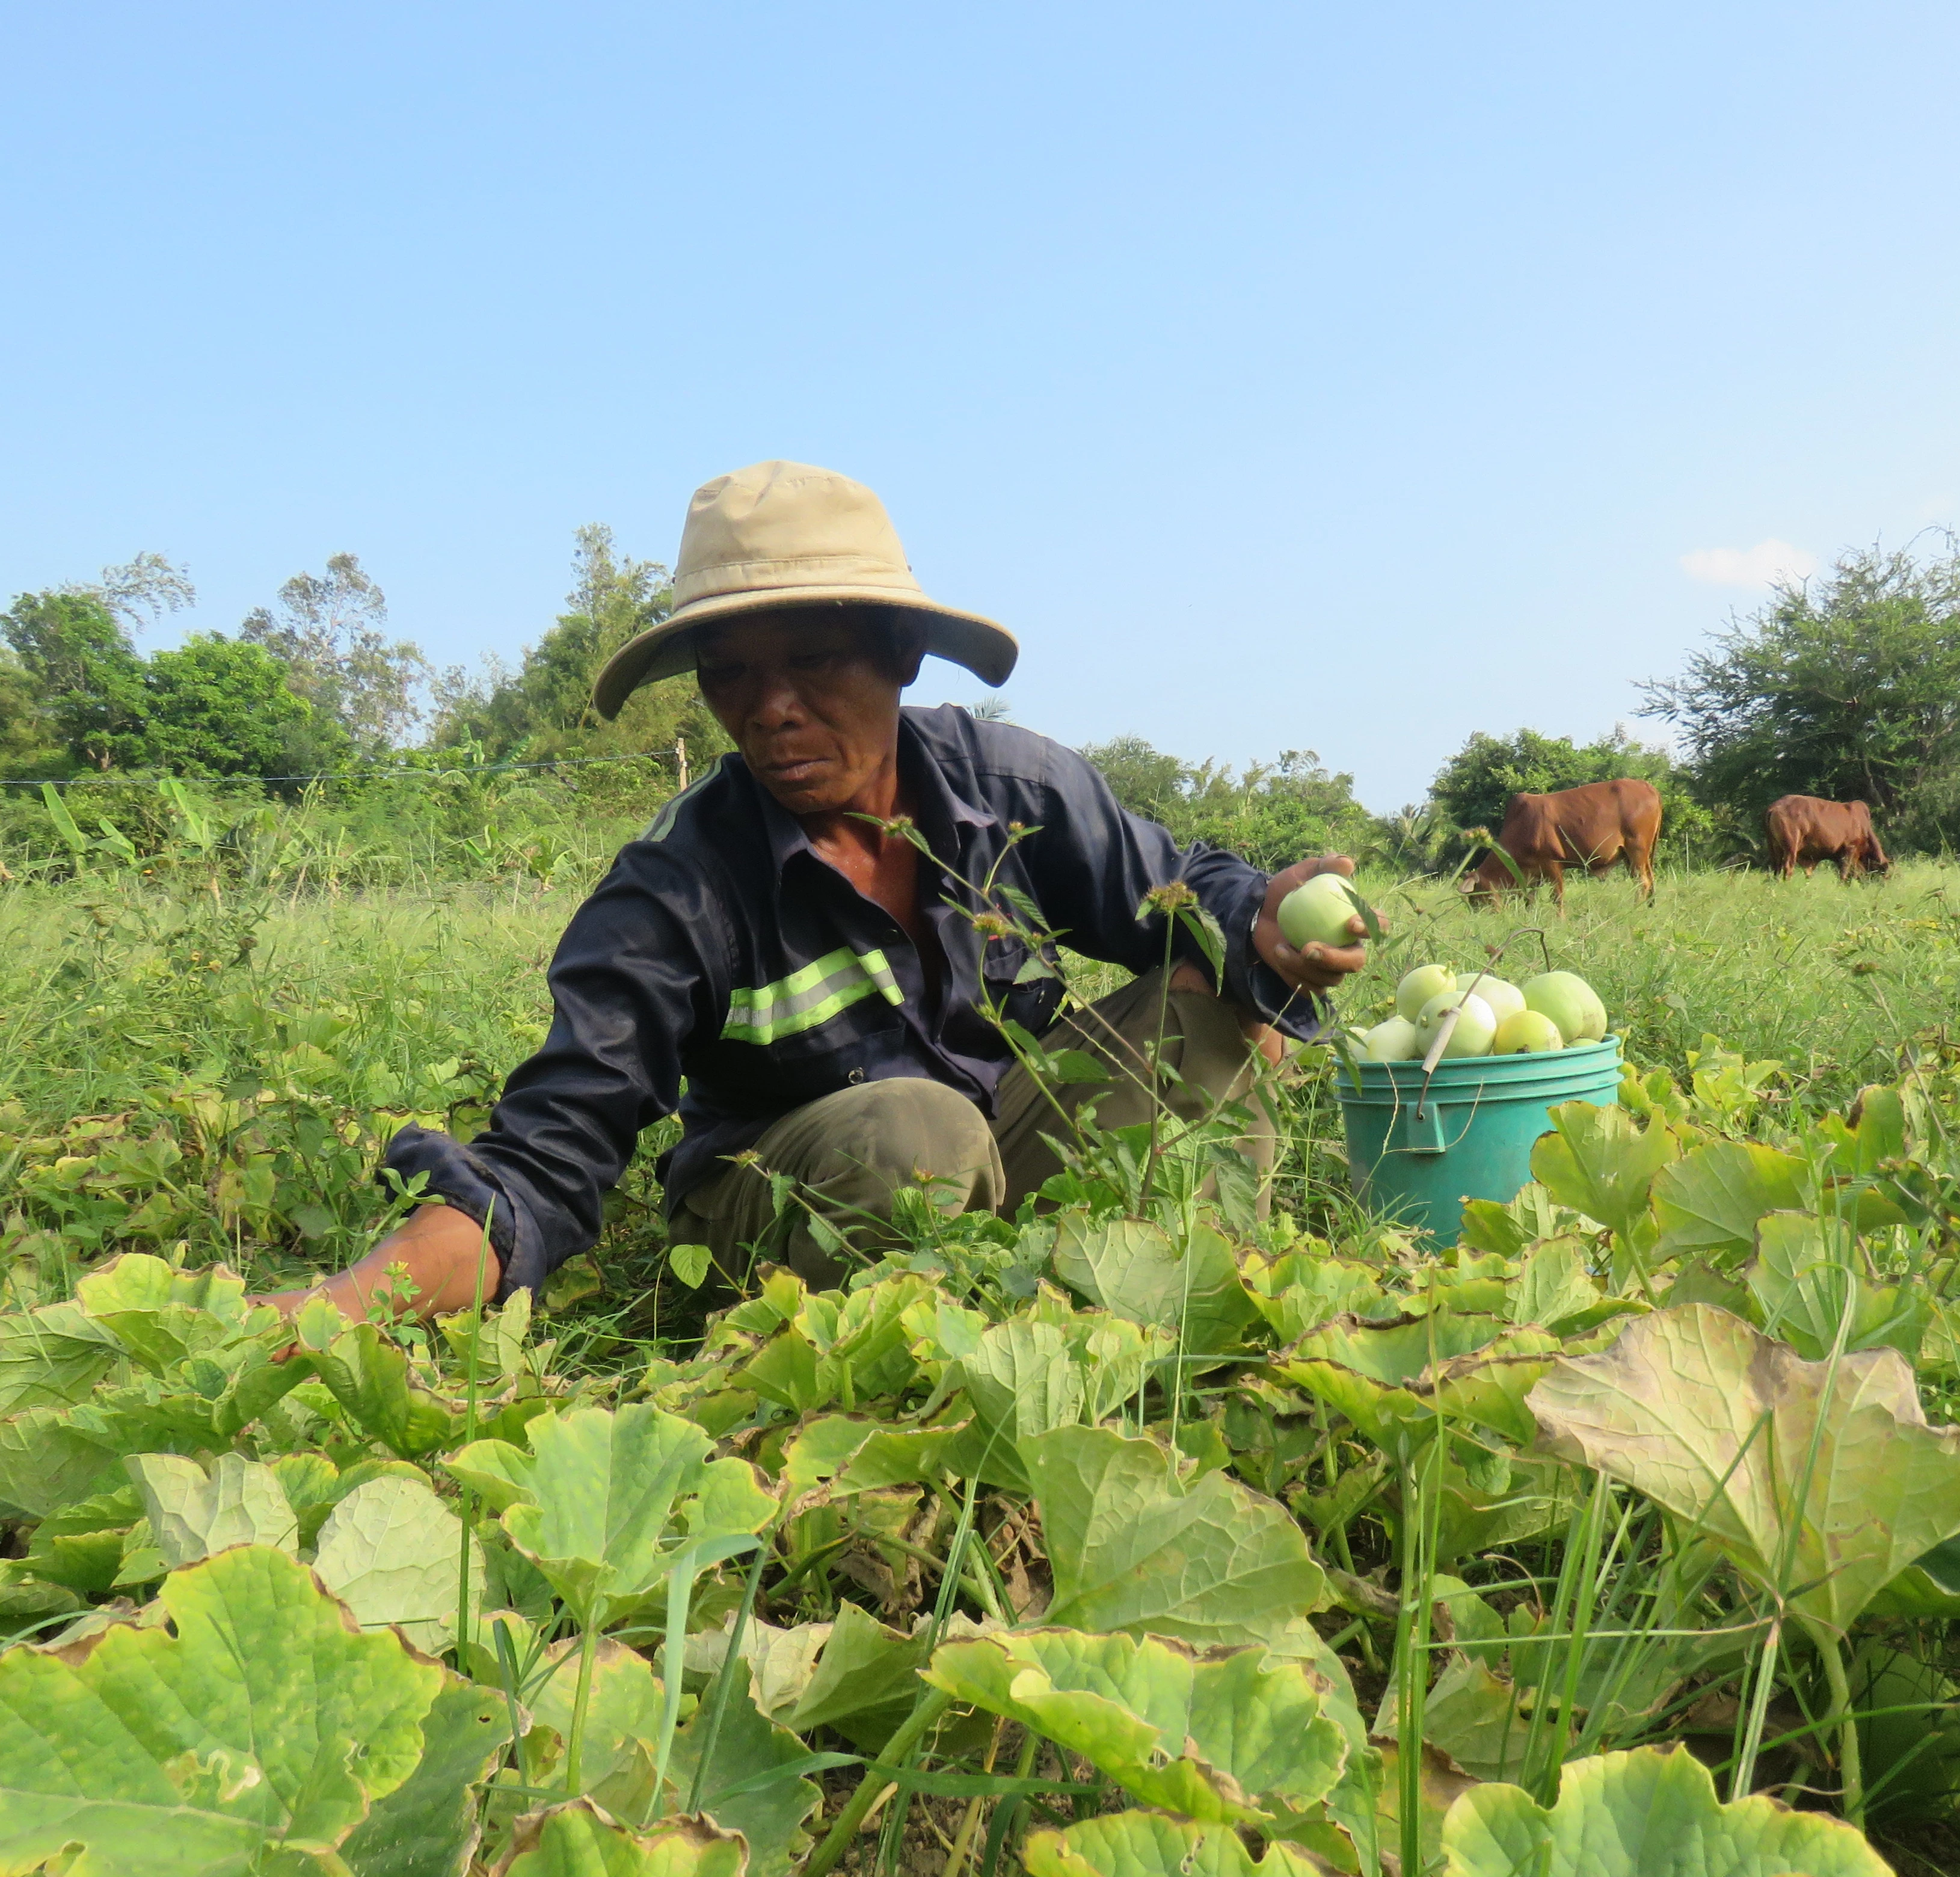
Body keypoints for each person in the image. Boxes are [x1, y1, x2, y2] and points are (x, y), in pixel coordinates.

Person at [271, 460, 1374, 1324]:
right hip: (795, 1197)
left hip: (1004, 1145)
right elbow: (551, 1151)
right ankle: (908, 1367)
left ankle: (1204, 1318)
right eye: (733, 674)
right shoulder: (678, 888)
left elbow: (1180, 893)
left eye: (813, 660)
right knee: (918, 1131)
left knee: (1188, 1007)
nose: (771, 709)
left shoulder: (1012, 790)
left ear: (901, 653)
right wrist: (355, 1300)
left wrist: (1257, 940)